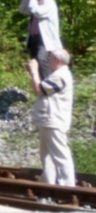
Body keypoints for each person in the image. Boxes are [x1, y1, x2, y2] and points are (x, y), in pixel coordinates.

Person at [31, 48, 76, 187]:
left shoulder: (61, 76)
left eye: (50, 58)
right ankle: (48, 182)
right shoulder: (57, 74)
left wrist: (34, 71)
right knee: (46, 155)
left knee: (59, 154)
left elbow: (40, 89)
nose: (48, 60)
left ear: (57, 60)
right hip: (48, 120)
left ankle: (67, 185)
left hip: (54, 119)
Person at [22, 0, 62, 90]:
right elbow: (22, 10)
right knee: (34, 63)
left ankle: (50, 85)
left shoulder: (49, 2)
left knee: (42, 59)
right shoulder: (35, 3)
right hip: (34, 38)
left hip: (45, 39)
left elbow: (37, 12)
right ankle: (40, 89)